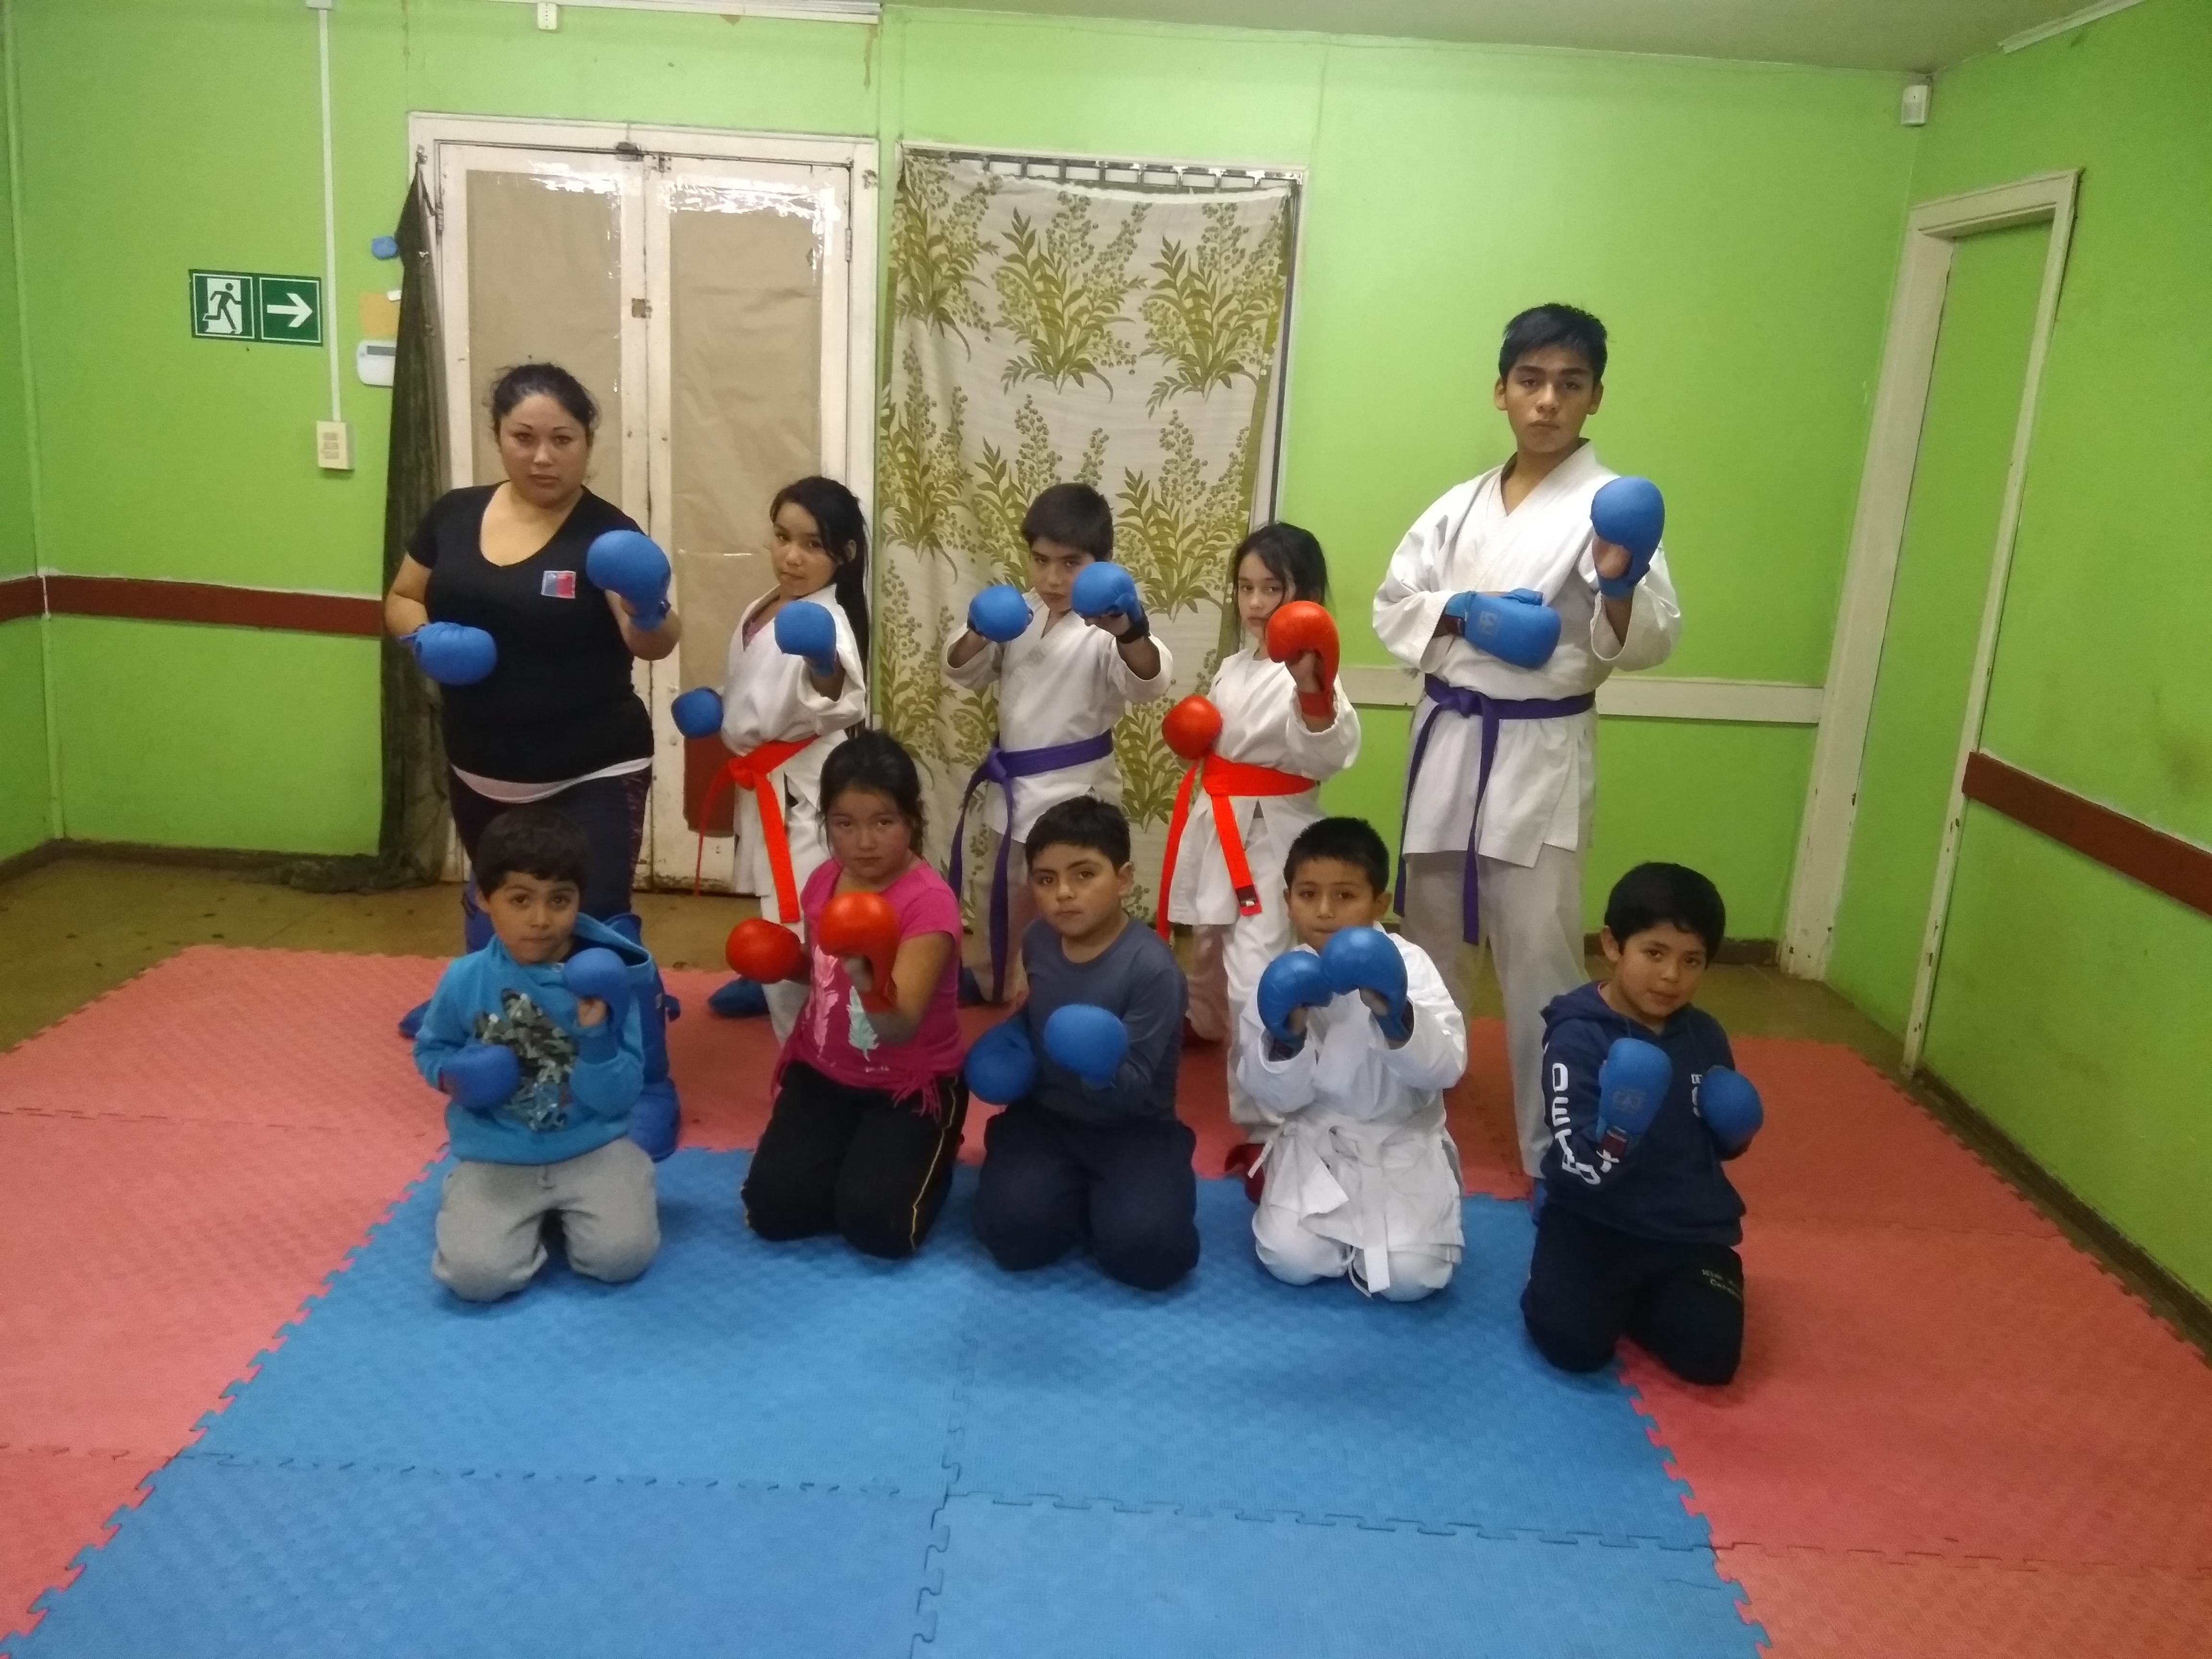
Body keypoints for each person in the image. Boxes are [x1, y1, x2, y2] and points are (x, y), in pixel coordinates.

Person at [1373, 303, 1682, 1180]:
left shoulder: (1612, 508)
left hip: (1537, 754)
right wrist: (1466, 611)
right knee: (1429, 941)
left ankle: (1557, 1150)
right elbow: (1394, 605)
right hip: (1449, 741)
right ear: (1500, 390)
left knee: (1540, 958)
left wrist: (1617, 586)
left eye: (1569, 384)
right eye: (1531, 380)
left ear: (1594, 398)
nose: (1547, 400)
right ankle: (1403, 1118)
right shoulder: (1457, 505)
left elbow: (1651, 640)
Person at [384, 362, 685, 1159]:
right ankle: (486, 1027)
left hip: (592, 765)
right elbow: (403, 595)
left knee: (599, 921)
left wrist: (651, 604)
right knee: (500, 910)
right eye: (524, 437)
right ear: (498, 437)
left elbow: (652, 642)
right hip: (481, 764)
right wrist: (422, 638)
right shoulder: (453, 516)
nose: (543, 456)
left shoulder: (606, 534)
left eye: (562, 439)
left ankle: (647, 1079)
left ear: (588, 441)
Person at [1521, 863, 1763, 1386]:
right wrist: (1618, 1132)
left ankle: (1635, 1298)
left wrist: (1737, 1133)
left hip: (1685, 1229)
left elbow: (1714, 1147)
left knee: (1711, 1360)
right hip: (1594, 1218)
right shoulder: (1578, 1036)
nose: (1672, 976)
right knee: (1572, 1347)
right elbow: (1578, 1162)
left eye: (1691, 960)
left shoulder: (1705, 1035)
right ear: (1613, 945)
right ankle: (1572, 1280)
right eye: (1655, 953)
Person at [411, 806, 661, 1303]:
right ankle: (491, 1206)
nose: (541, 920)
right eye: (520, 900)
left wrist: (596, 1038)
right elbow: (432, 1049)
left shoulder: (605, 980)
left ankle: (614, 1187)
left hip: (591, 1145)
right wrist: (454, 1077)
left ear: (579, 899)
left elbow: (618, 1097)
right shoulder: (465, 979)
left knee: (621, 1259)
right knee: (475, 1279)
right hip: (498, 1151)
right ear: (484, 898)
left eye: (560, 900)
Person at [1158, 522, 1360, 1130]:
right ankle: (1205, 1023)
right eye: (1245, 587)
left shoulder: (1312, 670)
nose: (1254, 602)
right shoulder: (1235, 665)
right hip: (1220, 820)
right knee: (1208, 944)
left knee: (1256, 972)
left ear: (1308, 594)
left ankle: (1263, 1123)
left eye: (1272, 588)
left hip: (1273, 836)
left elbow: (1328, 753)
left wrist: (1313, 691)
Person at [739, 731, 969, 1260]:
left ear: (912, 820)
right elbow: (825, 976)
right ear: (827, 824)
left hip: (909, 1085)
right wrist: (782, 962)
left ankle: (932, 1145)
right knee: (774, 1211)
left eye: (883, 822)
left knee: (878, 1228)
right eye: (845, 824)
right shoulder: (824, 881)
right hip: (825, 1073)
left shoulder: (928, 905)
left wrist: (871, 979)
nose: (864, 842)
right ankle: (852, 1158)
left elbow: (900, 1025)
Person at [943, 483, 1174, 1003]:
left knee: (1074, 906)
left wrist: (1129, 630)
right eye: (1041, 560)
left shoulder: (1108, 625)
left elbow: (1149, 681)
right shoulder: (1017, 613)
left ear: (1101, 563)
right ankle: (994, 983)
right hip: (1013, 791)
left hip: (1076, 795)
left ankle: (1075, 995)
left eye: (1071, 564)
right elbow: (962, 670)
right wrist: (979, 627)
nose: (1052, 578)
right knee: (1002, 897)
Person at [970, 798, 1198, 1291]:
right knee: (1012, 1238)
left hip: (1134, 1127)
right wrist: (1012, 1036)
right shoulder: (1038, 940)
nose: (1064, 894)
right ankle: (1065, 1194)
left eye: (1084, 874)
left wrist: (1100, 1068)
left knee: (1150, 1255)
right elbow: (1038, 1012)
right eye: (1046, 879)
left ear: (1123, 879)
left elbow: (1136, 1086)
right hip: (1048, 1116)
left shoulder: (1153, 970)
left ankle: (1111, 1196)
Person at [1235, 818, 1467, 1301]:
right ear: (1288, 901)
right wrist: (1287, 1038)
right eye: (1308, 895)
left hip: (1400, 1150)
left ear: (1380, 903)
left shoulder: (1410, 965)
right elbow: (1271, 1095)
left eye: (1345, 895)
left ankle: (1399, 1234)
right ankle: (1329, 1235)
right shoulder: (1282, 975)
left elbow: (1447, 1068)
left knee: (1411, 1280)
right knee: (1290, 1261)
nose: (1324, 911)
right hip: (1318, 1146)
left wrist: (1397, 1016)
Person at [676, 478, 871, 1037]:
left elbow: (837, 694)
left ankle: (818, 1051)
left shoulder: (826, 621)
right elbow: (763, 690)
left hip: (803, 796)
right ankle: (800, 1029)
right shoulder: (764, 605)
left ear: (844, 554)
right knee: (779, 913)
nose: (791, 556)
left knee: (800, 922)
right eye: (783, 537)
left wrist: (821, 662)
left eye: (812, 545)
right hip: (766, 783)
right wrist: (722, 706)